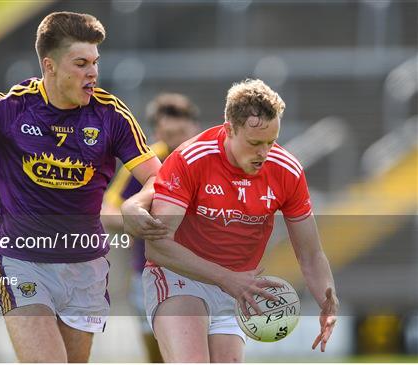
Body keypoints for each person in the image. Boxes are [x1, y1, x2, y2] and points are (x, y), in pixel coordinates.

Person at [0, 11, 166, 363]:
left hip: (85, 266)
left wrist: (136, 203)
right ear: (50, 65)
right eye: (81, 63)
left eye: (95, 62)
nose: (92, 73)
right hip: (21, 260)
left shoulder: (111, 115)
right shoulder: (12, 108)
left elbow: (159, 177)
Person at [143, 79, 339, 362]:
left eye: (271, 142)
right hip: (179, 278)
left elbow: (310, 254)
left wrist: (327, 300)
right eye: (254, 143)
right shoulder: (190, 159)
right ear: (229, 130)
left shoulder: (287, 171)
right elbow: (158, 247)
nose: (264, 153)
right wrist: (226, 278)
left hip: (237, 290)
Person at [102, 93, 200, 362]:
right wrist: (140, 224)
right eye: (168, 134)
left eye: (181, 132)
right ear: (157, 132)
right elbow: (107, 212)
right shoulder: (146, 164)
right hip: (150, 275)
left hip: (203, 274)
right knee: (158, 356)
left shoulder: (211, 160)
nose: (176, 140)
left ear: (194, 128)